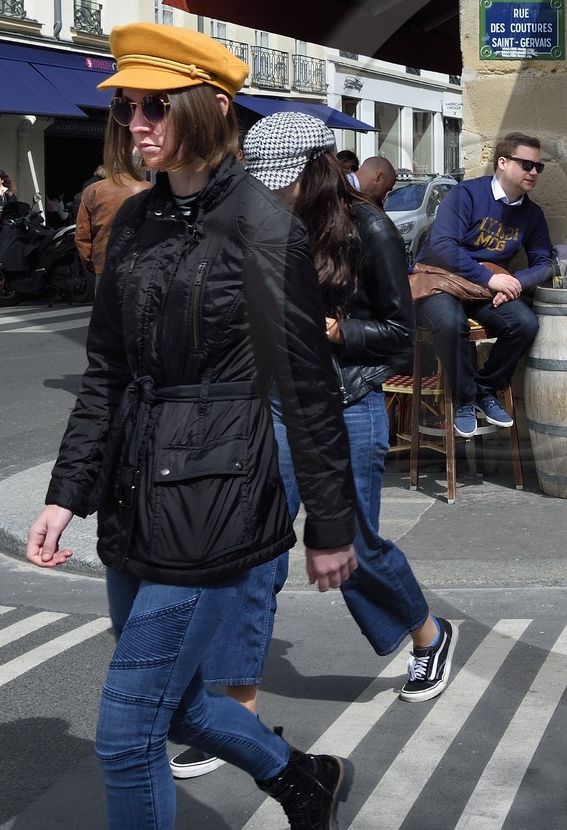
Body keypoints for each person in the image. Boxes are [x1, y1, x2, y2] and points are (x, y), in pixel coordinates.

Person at [22, 23, 360, 830]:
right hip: (134, 497)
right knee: (171, 707)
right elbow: (104, 373)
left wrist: (331, 523)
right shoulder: (134, 222)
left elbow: (307, 389)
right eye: (127, 108)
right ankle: (301, 778)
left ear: (211, 109)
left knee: (125, 733)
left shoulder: (263, 227)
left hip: (215, 503)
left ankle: (298, 779)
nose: (134, 123)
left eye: (153, 107)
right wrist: (65, 494)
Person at [169, 115, 456, 781]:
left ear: (315, 168)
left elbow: (394, 330)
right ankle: (234, 717)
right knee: (253, 556)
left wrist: (338, 331)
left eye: (282, 183)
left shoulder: (370, 229)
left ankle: (429, 636)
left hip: (346, 404)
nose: (271, 193)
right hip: (269, 405)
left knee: (354, 549)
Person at [415, 131, 554, 439]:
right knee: (451, 324)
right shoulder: (467, 194)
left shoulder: (532, 214)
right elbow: (442, 246)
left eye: (538, 167)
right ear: (502, 163)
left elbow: (545, 263)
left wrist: (514, 283)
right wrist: (491, 277)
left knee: (525, 324)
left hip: (484, 291)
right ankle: (464, 399)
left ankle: (484, 391)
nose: (533, 172)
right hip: (442, 281)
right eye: (526, 165)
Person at [75, 164, 151, 274]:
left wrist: (89, 263)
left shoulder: (92, 190)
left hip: (104, 264)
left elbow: (82, 234)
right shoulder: (148, 188)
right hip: (139, 264)